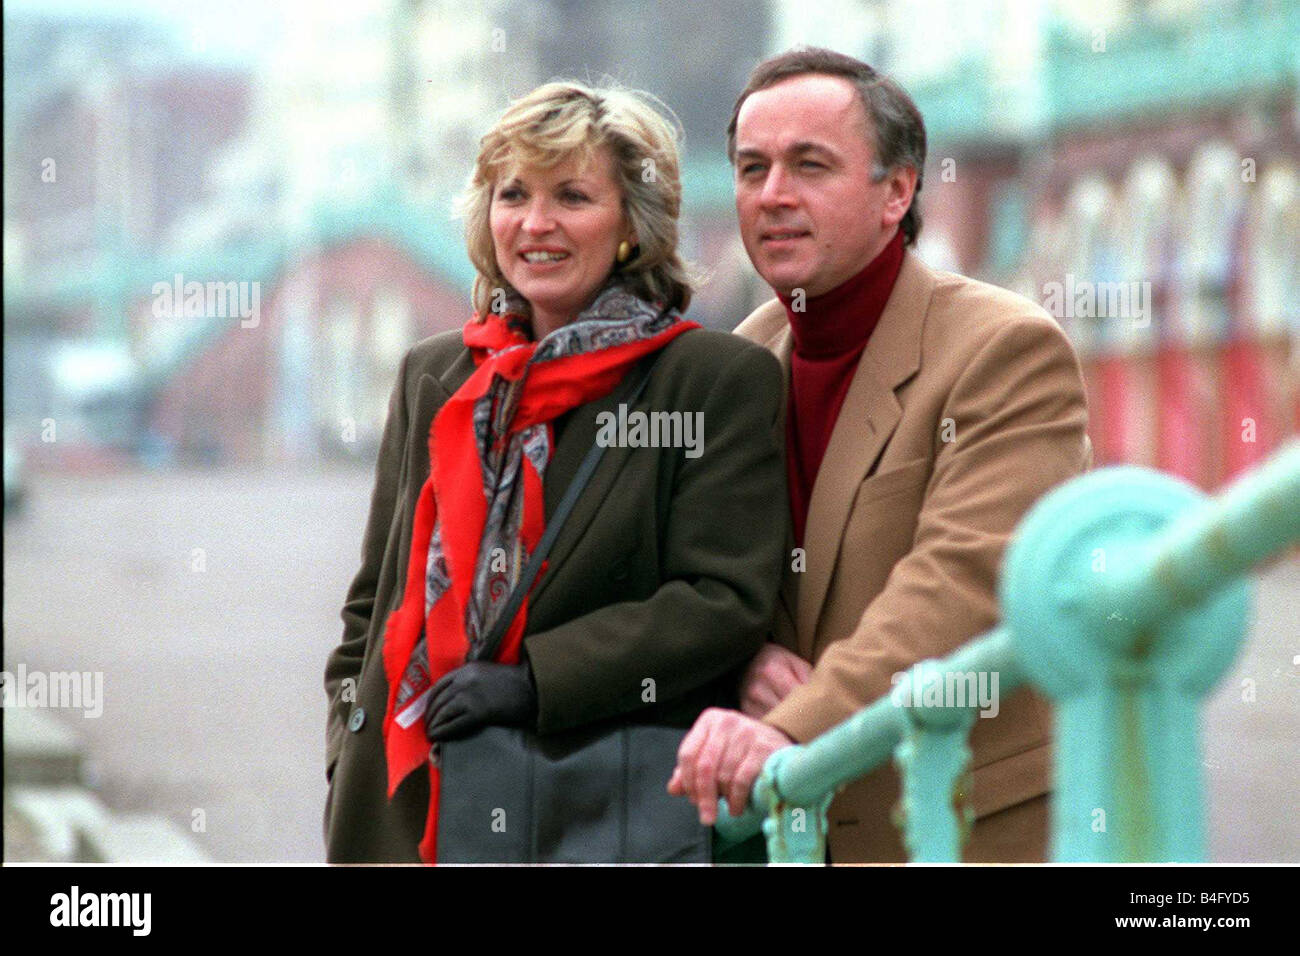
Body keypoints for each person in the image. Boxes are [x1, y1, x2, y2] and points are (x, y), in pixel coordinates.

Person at [323, 80, 787, 863]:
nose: (536, 224)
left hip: (586, 810)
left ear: (631, 226)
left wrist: (535, 681)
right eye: (513, 195)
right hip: (399, 811)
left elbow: (720, 600)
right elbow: (375, 599)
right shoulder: (435, 374)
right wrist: (347, 740)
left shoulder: (711, 379)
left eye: (572, 196)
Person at [669, 47, 1092, 863]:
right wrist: (740, 651)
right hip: (793, 832)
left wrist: (794, 724)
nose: (773, 195)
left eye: (810, 165)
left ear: (897, 191)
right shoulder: (740, 361)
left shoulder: (1004, 349)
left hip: (953, 821)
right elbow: (697, 563)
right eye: (752, 169)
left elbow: (963, 582)